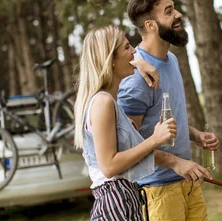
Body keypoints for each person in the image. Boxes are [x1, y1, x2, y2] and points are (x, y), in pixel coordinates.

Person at [118, 0, 219, 221]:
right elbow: (127, 144)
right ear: (151, 25)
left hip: (186, 180)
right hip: (157, 190)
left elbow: (164, 119)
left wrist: (194, 134)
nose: (178, 15)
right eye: (169, 11)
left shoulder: (170, 59)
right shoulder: (136, 78)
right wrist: (175, 163)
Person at [73, 25, 178, 221]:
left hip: (122, 196)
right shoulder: (102, 102)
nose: (134, 51)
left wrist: (139, 64)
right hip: (115, 198)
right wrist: (154, 139)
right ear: (110, 59)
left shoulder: (105, 100)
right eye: (127, 47)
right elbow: (109, 166)